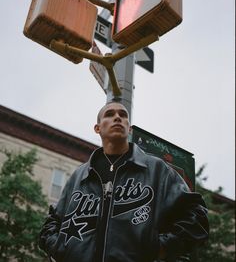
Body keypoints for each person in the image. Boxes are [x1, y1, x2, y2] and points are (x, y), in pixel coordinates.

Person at [39, 101, 209, 262]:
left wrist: (161, 248)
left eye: (123, 115)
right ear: (97, 128)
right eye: (109, 114)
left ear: (129, 127)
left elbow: (196, 215)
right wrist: (59, 249)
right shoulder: (79, 176)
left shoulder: (156, 170)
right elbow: (51, 223)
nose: (118, 117)